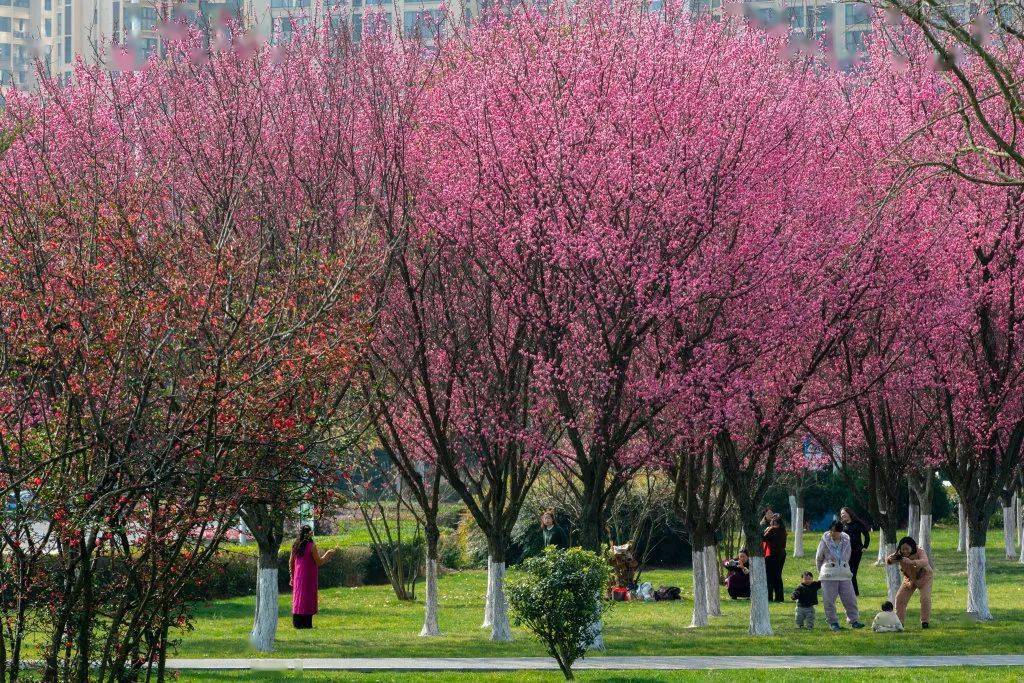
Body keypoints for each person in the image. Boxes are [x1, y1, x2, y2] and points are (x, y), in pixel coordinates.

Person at [815, 521, 864, 631]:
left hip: (844, 574)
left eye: (836, 531)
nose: (833, 533)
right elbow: (819, 558)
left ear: (840, 532)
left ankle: (854, 620)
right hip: (828, 575)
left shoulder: (846, 540)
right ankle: (833, 622)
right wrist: (822, 571)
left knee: (850, 599)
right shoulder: (824, 540)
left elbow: (848, 556)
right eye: (832, 530)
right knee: (829, 600)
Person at [289, 525, 335, 629]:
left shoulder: (295, 545)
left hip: (298, 577)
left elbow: (290, 562)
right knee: (308, 598)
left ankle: (297, 624)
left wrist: (292, 576)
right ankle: (307, 624)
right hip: (309, 576)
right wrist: (328, 554)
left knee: (298, 598)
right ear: (310, 533)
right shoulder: (311, 545)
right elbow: (318, 562)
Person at [886, 535, 933, 629]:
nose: (905, 551)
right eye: (902, 549)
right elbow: (889, 561)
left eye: (907, 549)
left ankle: (925, 622)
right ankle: (899, 624)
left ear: (913, 547)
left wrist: (912, 562)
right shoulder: (899, 554)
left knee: (925, 598)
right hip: (909, 579)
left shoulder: (919, 551)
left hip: (925, 577)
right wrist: (889, 559)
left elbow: (925, 561)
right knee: (900, 598)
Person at [839, 507, 870, 596]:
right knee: (846, 571)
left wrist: (865, 546)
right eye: (841, 514)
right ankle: (847, 591)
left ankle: (855, 593)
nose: (842, 515)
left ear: (849, 513)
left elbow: (866, 535)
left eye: (844, 513)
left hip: (856, 551)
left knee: (852, 572)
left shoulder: (857, 523)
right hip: (845, 551)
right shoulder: (842, 525)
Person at [762, 513, 787, 602]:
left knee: (769, 576)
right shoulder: (783, 530)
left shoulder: (772, 529)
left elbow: (763, 538)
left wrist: (766, 529)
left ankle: (769, 597)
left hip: (771, 555)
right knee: (778, 576)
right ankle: (779, 597)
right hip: (781, 554)